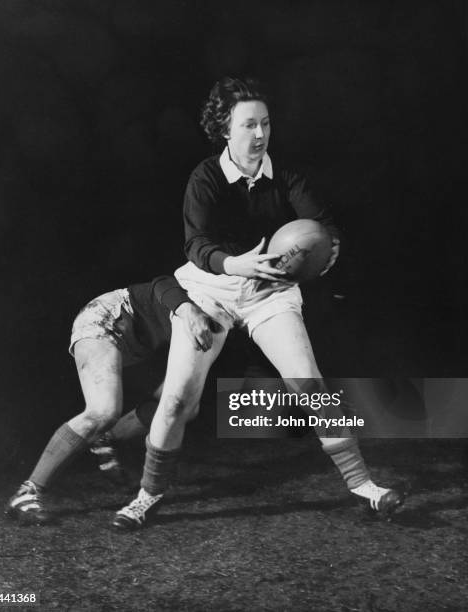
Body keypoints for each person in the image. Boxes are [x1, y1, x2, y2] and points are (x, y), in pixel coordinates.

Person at [113, 77, 404, 529]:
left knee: (310, 385)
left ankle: (365, 487)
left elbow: (321, 225)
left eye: (265, 123)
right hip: (210, 290)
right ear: (225, 130)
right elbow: (196, 246)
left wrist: (331, 246)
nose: (259, 134)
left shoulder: (286, 176)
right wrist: (236, 264)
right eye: (248, 124)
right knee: (175, 403)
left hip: (270, 293)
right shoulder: (205, 178)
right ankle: (146, 497)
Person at [5, 276, 216, 525]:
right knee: (102, 411)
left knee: (183, 408)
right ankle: (27, 493)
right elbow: (162, 282)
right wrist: (187, 308)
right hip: (106, 319)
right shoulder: (199, 290)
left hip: (136, 345)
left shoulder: (231, 313)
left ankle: (106, 437)